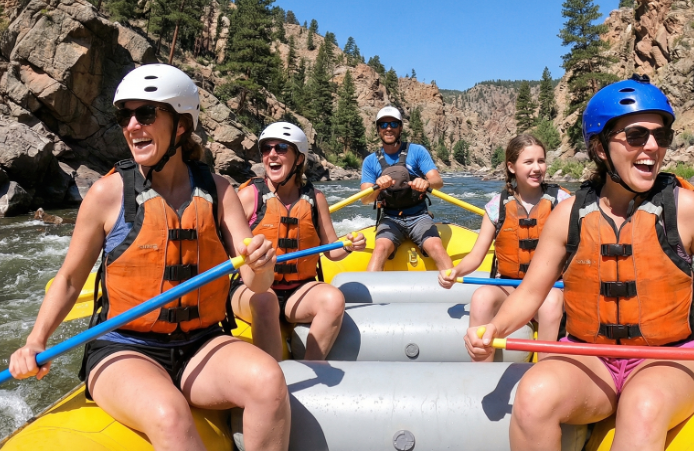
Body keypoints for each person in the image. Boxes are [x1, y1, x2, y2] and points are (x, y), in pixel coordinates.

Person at [464, 75, 694, 451]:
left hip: (669, 358)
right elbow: (531, 292)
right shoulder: (569, 215)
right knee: (533, 394)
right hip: (592, 357)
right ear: (601, 148)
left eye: (661, 136)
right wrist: (494, 328)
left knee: (643, 405)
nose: (652, 146)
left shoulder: (685, 209)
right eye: (636, 136)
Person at [9, 64, 291, 451]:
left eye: (145, 114)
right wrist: (35, 341)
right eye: (124, 116)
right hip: (123, 348)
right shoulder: (107, 194)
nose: (132, 126)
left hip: (201, 342)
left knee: (269, 382)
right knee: (169, 415)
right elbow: (70, 280)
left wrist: (261, 265)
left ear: (181, 125)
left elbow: (258, 284)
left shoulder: (218, 191)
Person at [233, 122, 365, 361]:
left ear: (299, 159)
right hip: (251, 290)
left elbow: (332, 251)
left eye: (281, 148)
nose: (272, 154)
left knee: (334, 299)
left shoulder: (315, 199)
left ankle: (313, 365)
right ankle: (274, 376)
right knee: (266, 299)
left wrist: (348, 246)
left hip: (297, 291)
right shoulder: (249, 196)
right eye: (266, 148)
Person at [440, 134, 569, 360]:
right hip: (510, 286)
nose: (537, 168)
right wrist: (454, 271)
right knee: (481, 297)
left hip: (551, 287)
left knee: (550, 302)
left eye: (541, 161)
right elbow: (476, 256)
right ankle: (481, 367)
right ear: (511, 167)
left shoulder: (563, 201)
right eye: (528, 162)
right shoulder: (497, 206)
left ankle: (545, 370)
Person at [360, 106, 452, 272]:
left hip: (419, 216)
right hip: (390, 218)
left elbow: (438, 181)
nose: (388, 128)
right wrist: (377, 187)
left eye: (394, 124)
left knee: (436, 247)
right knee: (380, 249)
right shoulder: (370, 161)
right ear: (378, 129)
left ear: (401, 127)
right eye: (383, 124)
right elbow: (365, 199)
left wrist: (426, 183)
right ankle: (370, 288)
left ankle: (454, 285)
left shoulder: (417, 151)